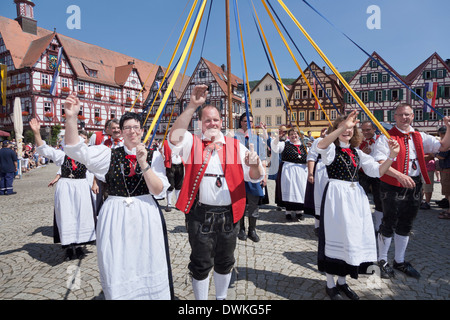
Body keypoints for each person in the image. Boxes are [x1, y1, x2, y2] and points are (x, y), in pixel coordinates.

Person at [62, 93, 173, 300]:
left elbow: (158, 190)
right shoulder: (108, 154)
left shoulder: (154, 155)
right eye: (127, 127)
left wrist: (143, 163)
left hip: (146, 213)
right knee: (118, 259)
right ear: (121, 132)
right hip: (115, 215)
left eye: (136, 127)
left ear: (142, 130)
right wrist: (71, 118)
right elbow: (75, 150)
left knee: (148, 257)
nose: (132, 131)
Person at [168, 84, 264, 300]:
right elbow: (174, 137)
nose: (212, 123)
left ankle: (220, 300)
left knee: (225, 261)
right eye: (207, 120)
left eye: (216, 120)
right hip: (200, 214)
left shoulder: (235, 145)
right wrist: (193, 105)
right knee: (201, 263)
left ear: (222, 122)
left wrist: (255, 165)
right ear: (200, 123)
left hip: (230, 214)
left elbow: (255, 176)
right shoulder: (192, 142)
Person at [317, 111, 399, 300]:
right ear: (338, 129)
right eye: (344, 127)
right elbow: (322, 145)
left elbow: (377, 172)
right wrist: (341, 127)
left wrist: (392, 156)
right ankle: (330, 284)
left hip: (355, 199)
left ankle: (342, 282)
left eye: (351, 128)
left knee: (351, 239)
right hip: (336, 198)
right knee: (336, 237)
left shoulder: (357, 152)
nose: (348, 130)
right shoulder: (330, 148)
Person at [373, 103, 450, 279]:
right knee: (389, 221)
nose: (404, 118)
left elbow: (444, 146)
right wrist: (399, 175)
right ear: (395, 117)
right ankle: (382, 260)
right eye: (400, 115)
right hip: (392, 183)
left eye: (407, 114)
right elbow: (379, 163)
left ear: (412, 116)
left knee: (406, 223)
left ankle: (399, 261)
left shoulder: (420, 136)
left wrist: (449, 127)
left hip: (414, 183)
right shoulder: (385, 137)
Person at [30, 119, 96, 260]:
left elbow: (99, 169)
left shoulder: (86, 157)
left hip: (81, 187)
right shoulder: (62, 156)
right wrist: (36, 133)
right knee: (67, 215)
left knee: (82, 215)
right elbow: (44, 149)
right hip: (66, 187)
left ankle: (79, 245)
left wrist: (95, 183)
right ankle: (68, 246)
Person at [234, 112, 267, 242]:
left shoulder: (257, 139)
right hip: (239, 176)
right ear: (240, 122)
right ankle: (241, 228)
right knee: (240, 203)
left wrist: (263, 175)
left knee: (253, 205)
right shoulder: (235, 138)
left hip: (254, 175)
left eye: (251, 121)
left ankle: (252, 229)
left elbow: (263, 158)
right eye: (244, 121)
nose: (248, 123)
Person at [271, 128, 308, 221]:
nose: (293, 136)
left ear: (299, 135)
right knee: (289, 189)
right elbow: (274, 147)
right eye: (291, 134)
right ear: (289, 136)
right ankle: (288, 211)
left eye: (295, 134)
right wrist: (278, 137)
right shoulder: (284, 144)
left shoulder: (305, 146)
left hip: (302, 172)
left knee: (301, 190)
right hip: (288, 171)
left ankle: (299, 211)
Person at [358, 120, 383, 233]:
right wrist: (362, 154)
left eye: (368, 130)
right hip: (363, 173)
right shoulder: (358, 141)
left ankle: (379, 225)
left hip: (378, 173)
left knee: (379, 199)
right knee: (362, 198)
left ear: (374, 129)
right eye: (363, 130)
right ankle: (362, 225)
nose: (365, 132)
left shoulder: (381, 140)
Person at [162, 139, 185, 212]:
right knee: (170, 185)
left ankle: (178, 204)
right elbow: (161, 152)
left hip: (180, 165)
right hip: (170, 166)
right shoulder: (165, 143)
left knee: (179, 185)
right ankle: (169, 204)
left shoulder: (182, 143)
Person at [434, 126, 450, 219]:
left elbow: (442, 156)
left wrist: (435, 153)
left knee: (448, 191)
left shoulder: (447, 143)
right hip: (446, 168)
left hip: (448, 169)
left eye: (440, 134)